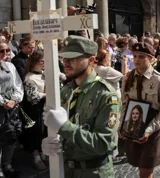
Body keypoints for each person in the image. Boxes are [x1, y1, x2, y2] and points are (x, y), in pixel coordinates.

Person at [41, 36, 120, 177]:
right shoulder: (65, 91)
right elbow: (57, 129)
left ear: (91, 60)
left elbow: (103, 143)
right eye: (64, 58)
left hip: (94, 172)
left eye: (73, 58)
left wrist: (64, 127)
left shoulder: (106, 95)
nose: (65, 62)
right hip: (66, 169)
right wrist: (50, 142)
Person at [120, 42, 160, 178]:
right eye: (135, 56)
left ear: (151, 59)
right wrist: (122, 126)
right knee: (137, 163)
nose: (137, 59)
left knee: (146, 170)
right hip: (133, 125)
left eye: (142, 56)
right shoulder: (127, 78)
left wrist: (149, 130)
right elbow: (124, 104)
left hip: (152, 128)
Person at [0, 39, 24, 178]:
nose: (5, 53)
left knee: (11, 135)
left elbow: (18, 85)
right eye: (1, 51)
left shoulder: (10, 66)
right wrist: (3, 102)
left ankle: (7, 165)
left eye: (7, 50)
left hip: (12, 107)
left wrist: (14, 100)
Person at [23, 50, 47, 170]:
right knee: (35, 132)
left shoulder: (43, 74)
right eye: (41, 61)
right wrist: (45, 94)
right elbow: (32, 97)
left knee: (43, 132)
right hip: (34, 109)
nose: (43, 63)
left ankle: (43, 153)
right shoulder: (30, 78)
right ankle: (36, 157)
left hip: (43, 107)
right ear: (34, 62)